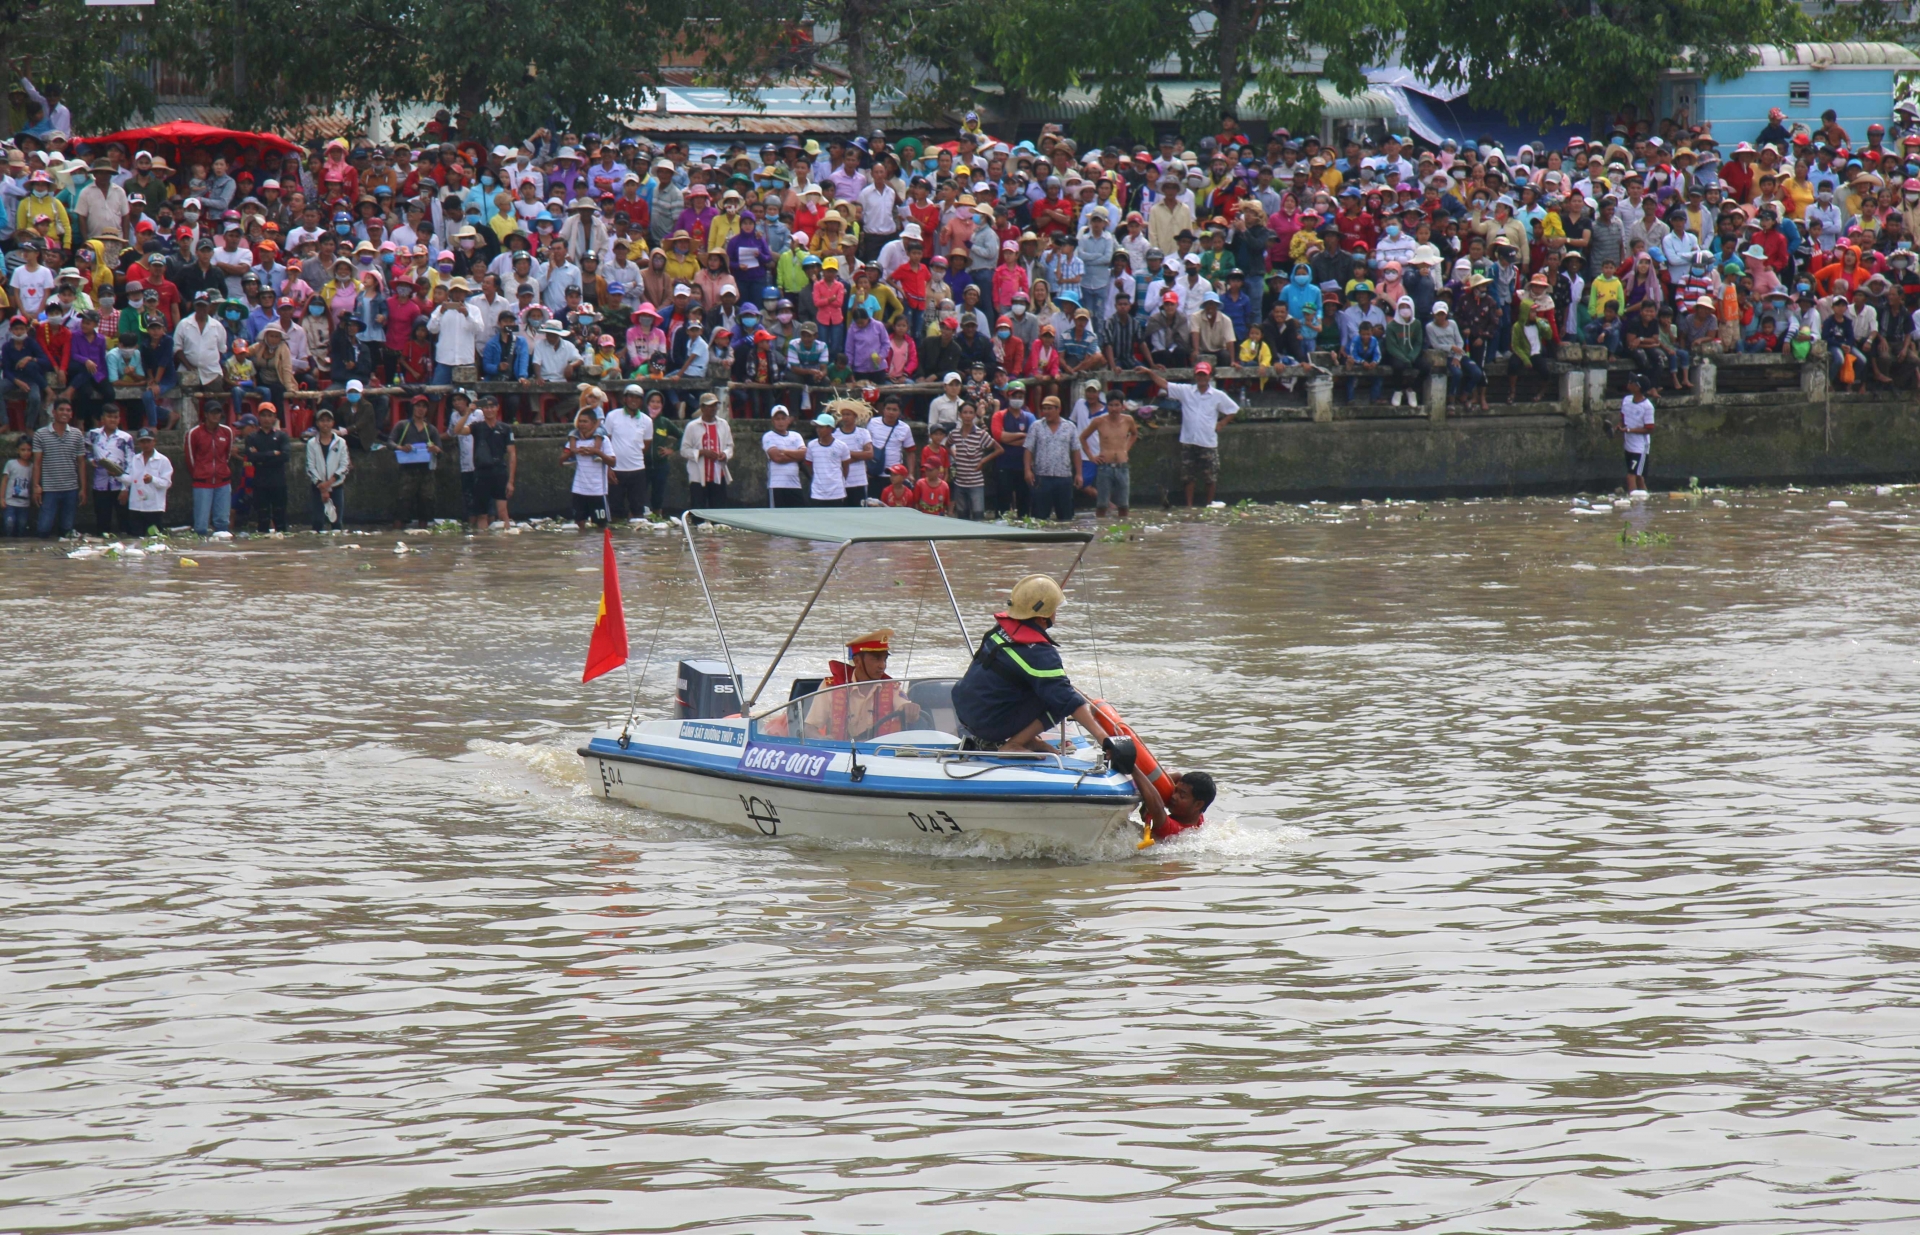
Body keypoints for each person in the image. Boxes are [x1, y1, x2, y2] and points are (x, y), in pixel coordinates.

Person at [950, 574, 1167, 828]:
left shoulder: (998, 633)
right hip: (991, 722)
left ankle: (1030, 740)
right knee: (1057, 698)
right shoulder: (1040, 654)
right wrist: (1104, 739)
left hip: (966, 712)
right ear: (1044, 617)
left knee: (1045, 689)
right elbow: (1067, 700)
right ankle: (1016, 744)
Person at [1142, 361, 1237, 507]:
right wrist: (1150, 372)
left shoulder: (1218, 395)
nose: (1201, 377)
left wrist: (1222, 423)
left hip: (1208, 442)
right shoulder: (1186, 391)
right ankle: (1189, 506)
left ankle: (1209, 504)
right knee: (1188, 477)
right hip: (1188, 440)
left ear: (1210, 376)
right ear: (1195, 376)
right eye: (1199, 374)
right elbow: (1165, 385)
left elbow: (1233, 410)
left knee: (1210, 477)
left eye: (1204, 375)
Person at [802, 629, 921, 741]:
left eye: (884, 659)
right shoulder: (832, 686)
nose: (882, 665)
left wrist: (910, 709)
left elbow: (905, 708)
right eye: (876, 659)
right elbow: (809, 727)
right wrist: (820, 739)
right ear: (858, 661)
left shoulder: (891, 687)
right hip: (842, 754)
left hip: (879, 754)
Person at [458, 397, 517, 529]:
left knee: (503, 512)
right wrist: (468, 412)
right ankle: (482, 545)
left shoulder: (505, 428)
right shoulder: (477, 427)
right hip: (481, 473)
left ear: (497, 408)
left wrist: (511, 481)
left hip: (500, 472)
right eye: (486, 407)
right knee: (482, 514)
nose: (489, 410)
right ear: (482, 410)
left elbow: (512, 454)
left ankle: (507, 542)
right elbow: (458, 431)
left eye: (492, 407)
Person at [31, 398, 84, 537]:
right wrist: (36, 486)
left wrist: (83, 488)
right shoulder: (40, 434)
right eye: (61, 409)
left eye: (68, 410)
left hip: (71, 488)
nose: (65, 413)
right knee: (43, 528)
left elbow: (81, 463)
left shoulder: (77, 434)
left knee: (67, 530)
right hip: (49, 488)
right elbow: (37, 462)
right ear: (54, 412)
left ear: (72, 414)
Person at [184, 401, 237, 535]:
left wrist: (221, 470)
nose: (215, 415)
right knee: (201, 525)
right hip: (202, 483)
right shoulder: (194, 433)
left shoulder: (227, 432)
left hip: (223, 482)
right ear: (206, 414)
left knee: (223, 522)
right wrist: (199, 474)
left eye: (218, 412)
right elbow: (190, 459)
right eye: (212, 412)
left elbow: (227, 456)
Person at [1025, 394, 1080, 521]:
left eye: (1050, 408)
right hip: (1042, 477)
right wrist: (1027, 470)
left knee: (1066, 519)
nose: (1046, 412)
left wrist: (1079, 474)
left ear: (1058, 409)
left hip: (1064, 477)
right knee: (1039, 518)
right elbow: (1028, 449)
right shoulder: (1036, 426)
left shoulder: (1070, 427)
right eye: (1044, 408)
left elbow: (1076, 450)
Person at [1081, 396, 1138, 517]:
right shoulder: (1099, 421)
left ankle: (1124, 530)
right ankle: (1101, 530)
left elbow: (1134, 434)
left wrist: (1125, 450)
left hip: (1122, 467)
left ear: (1122, 406)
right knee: (1102, 505)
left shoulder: (1128, 420)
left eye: (1117, 405)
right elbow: (1082, 437)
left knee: (1123, 505)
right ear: (1107, 406)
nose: (1114, 408)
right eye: (1111, 405)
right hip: (1104, 467)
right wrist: (1091, 457)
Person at [390, 396, 443, 527]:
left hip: (426, 471)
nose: (421, 409)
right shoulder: (403, 425)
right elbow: (390, 442)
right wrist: (401, 448)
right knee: (403, 501)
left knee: (426, 501)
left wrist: (435, 449)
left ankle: (423, 532)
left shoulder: (431, 429)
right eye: (418, 406)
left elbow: (441, 452)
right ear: (412, 408)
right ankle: (397, 531)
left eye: (424, 406)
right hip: (407, 470)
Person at [604, 384, 654, 520]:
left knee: (638, 509)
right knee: (615, 509)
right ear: (624, 399)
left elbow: (646, 445)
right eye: (631, 397)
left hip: (637, 470)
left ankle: (636, 541)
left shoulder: (647, 421)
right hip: (616, 470)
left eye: (637, 398)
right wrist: (608, 468)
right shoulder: (612, 416)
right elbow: (605, 443)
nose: (634, 400)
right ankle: (619, 539)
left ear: (641, 401)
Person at [82, 403, 133, 535]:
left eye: (115, 417)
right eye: (109, 417)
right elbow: (85, 449)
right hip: (100, 484)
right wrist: (91, 459)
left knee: (124, 522)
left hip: (119, 483)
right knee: (102, 521)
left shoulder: (125, 438)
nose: (113, 420)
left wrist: (125, 488)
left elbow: (130, 463)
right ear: (102, 419)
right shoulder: (93, 435)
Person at [562, 407, 614, 528]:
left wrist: (596, 452)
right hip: (579, 489)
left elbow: (613, 462)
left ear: (593, 423)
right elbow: (561, 461)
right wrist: (573, 452)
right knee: (579, 523)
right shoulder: (574, 439)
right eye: (580, 421)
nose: (582, 424)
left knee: (601, 525)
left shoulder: (604, 440)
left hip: (598, 490)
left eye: (585, 421)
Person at [680, 391, 733, 507]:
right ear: (702, 408)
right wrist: (701, 452)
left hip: (718, 473)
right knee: (699, 508)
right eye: (709, 406)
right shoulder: (692, 426)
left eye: (715, 405)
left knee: (718, 509)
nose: (713, 408)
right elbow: (684, 450)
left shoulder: (723, 424)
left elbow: (730, 446)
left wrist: (724, 454)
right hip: (698, 474)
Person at [244, 404, 292, 533]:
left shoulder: (282, 436)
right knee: (262, 519)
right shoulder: (252, 437)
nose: (266, 419)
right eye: (264, 415)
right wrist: (272, 454)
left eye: (270, 415)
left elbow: (285, 456)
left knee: (280, 519)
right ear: (259, 417)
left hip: (278, 483)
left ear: (275, 417)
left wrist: (261, 457)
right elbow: (251, 457)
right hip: (260, 483)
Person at [305, 407, 351, 530]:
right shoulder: (312, 443)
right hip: (317, 487)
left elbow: (344, 466)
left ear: (333, 423)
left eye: (328, 420)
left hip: (336, 486)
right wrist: (321, 486)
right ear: (317, 423)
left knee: (336, 523)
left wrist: (329, 483)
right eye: (322, 420)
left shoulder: (341, 442)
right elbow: (310, 467)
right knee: (317, 522)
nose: (325, 423)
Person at [123, 428, 173, 534]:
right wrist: (117, 475)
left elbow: (167, 483)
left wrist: (152, 479)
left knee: (154, 539)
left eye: (148, 441)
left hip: (154, 507)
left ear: (154, 441)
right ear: (139, 443)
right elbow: (130, 479)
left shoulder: (163, 460)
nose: (146, 444)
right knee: (136, 538)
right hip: (136, 505)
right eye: (142, 441)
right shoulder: (135, 459)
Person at [1615, 372, 1656, 494]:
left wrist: (1629, 430)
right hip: (1628, 445)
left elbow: (1650, 429)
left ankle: (1632, 502)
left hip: (1640, 448)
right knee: (1639, 477)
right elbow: (1623, 418)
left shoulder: (1647, 407)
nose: (1628, 383)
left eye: (1631, 382)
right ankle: (1644, 501)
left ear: (1637, 387)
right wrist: (1620, 426)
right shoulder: (1626, 400)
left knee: (1631, 476)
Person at [804, 410, 853, 506]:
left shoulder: (841, 446)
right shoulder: (811, 445)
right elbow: (809, 465)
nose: (818, 429)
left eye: (821, 427)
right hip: (817, 493)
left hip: (837, 493)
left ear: (830, 428)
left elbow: (846, 467)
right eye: (817, 427)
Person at [762, 404, 807, 508]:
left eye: (783, 418)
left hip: (795, 485)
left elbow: (804, 454)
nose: (780, 422)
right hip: (776, 485)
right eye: (777, 419)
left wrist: (784, 451)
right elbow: (777, 457)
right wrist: (795, 455)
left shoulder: (796, 436)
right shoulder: (768, 436)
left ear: (788, 420)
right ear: (773, 421)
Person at [1153, 770, 1217, 839]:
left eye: (1182, 795)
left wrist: (1138, 773)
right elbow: (1178, 775)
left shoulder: (1172, 831)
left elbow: (1157, 807)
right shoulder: (1197, 817)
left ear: (1198, 804)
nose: (1174, 796)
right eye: (1175, 790)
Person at [4, 436, 33, 536]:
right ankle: (8, 541)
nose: (26, 452)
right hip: (10, 502)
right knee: (9, 523)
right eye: (23, 450)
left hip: (24, 503)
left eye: (29, 450)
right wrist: (1, 498)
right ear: (17, 450)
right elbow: (4, 481)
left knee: (22, 524)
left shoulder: (32, 467)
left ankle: (20, 542)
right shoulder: (11, 464)